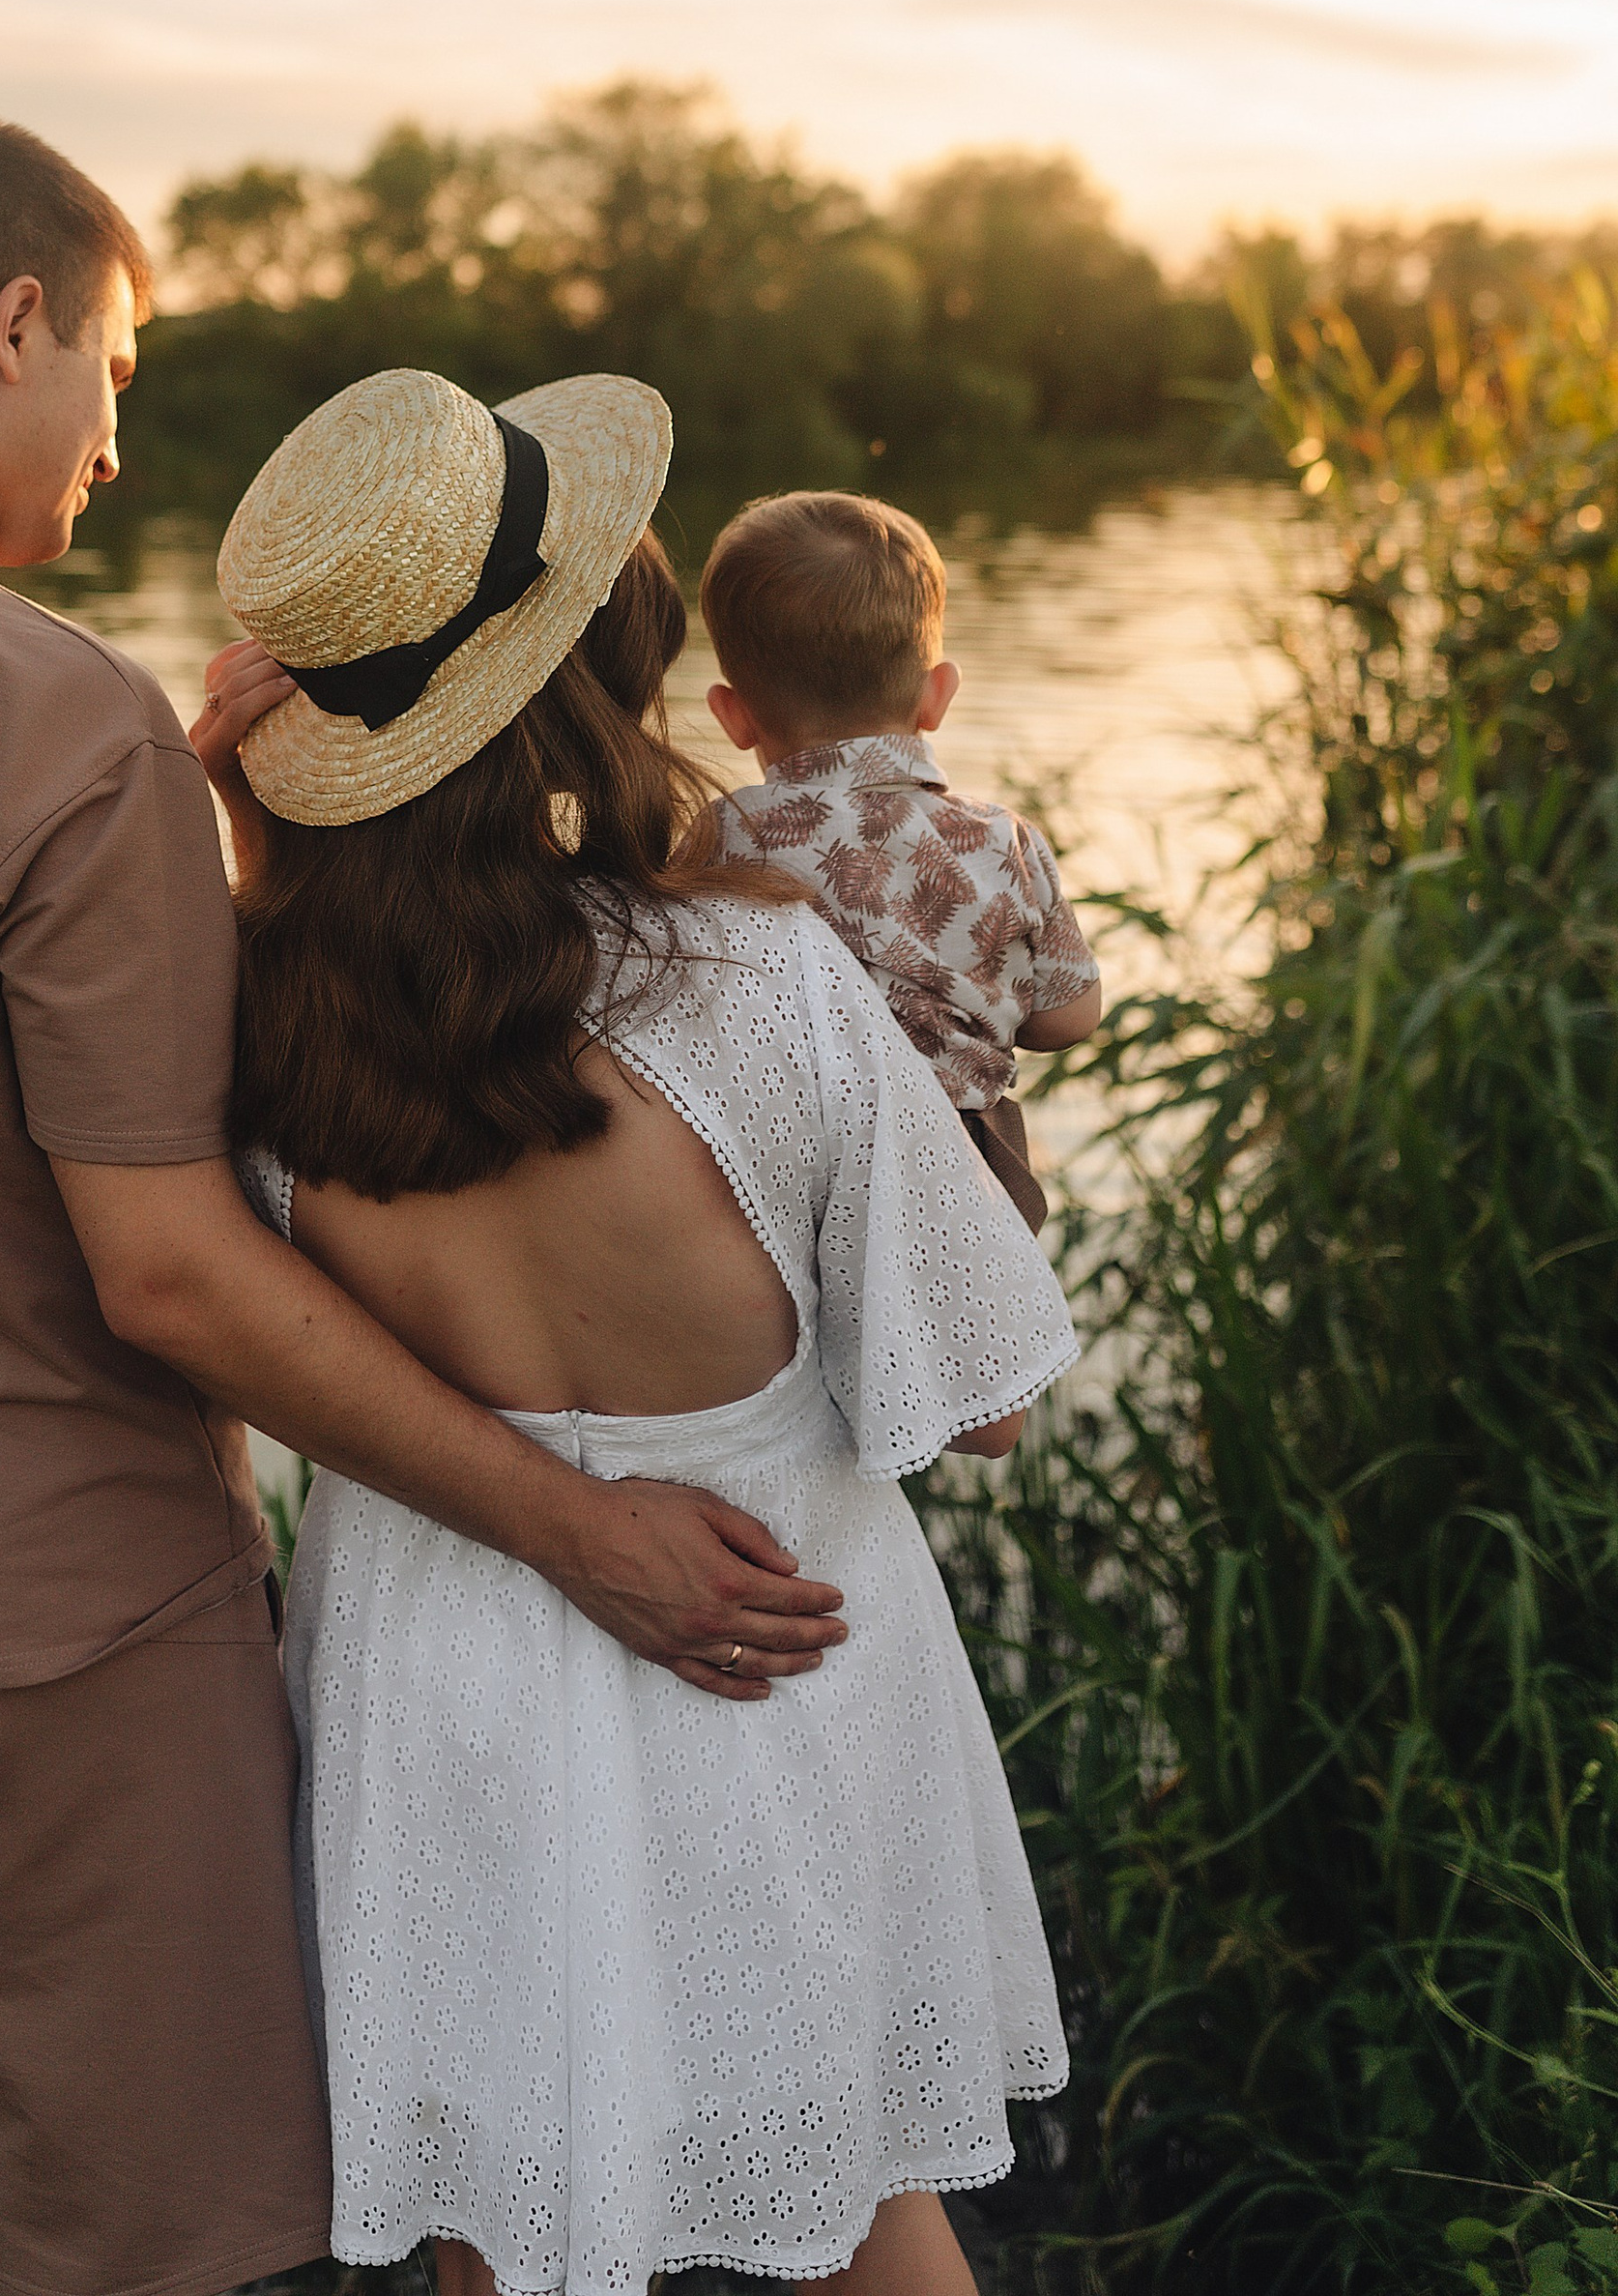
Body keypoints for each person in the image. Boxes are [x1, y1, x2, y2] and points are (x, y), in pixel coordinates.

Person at [0, 119, 845, 2296]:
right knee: (141, 2248)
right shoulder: (43, 709)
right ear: (12, 321)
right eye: (114, 369)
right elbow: (166, 1263)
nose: (118, 441)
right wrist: (574, 1519)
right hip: (65, 1628)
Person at [190, 367, 1082, 2296]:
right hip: (770, 1643)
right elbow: (980, 1406)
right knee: (856, 2208)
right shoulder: (751, 979)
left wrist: (241, 830)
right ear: (591, 684)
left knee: (491, 2227)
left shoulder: (256, 1022)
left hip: (438, 1671)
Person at [696, 489, 1104, 1232]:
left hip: (782, 1166)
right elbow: (1071, 1016)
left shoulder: (721, 839)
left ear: (732, 714)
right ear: (937, 695)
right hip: (967, 1164)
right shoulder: (1002, 841)